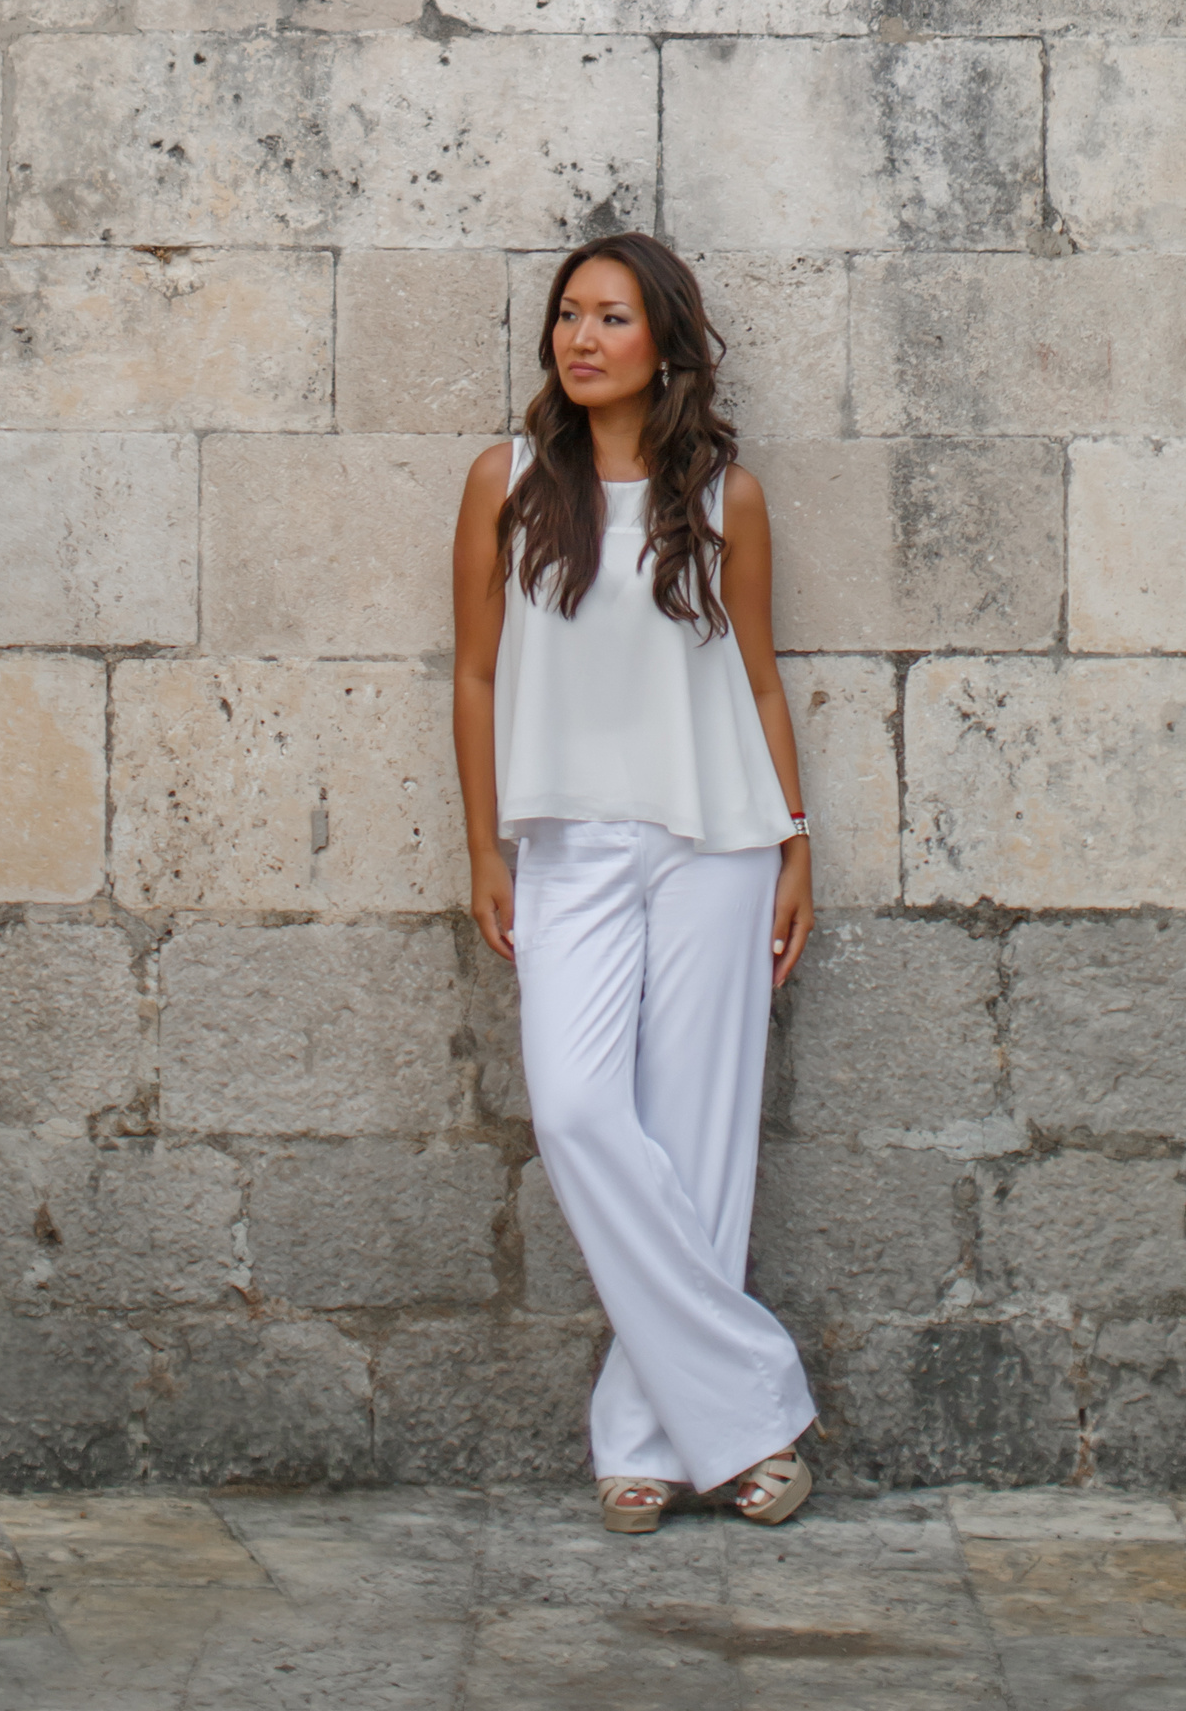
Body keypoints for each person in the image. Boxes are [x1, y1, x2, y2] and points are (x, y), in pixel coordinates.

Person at [451, 229, 818, 1537]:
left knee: (703, 1148)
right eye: (566, 315)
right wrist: (486, 846)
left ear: (663, 339)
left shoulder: (727, 496)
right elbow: (479, 676)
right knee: (583, 1114)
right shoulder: (504, 481)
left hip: (716, 840)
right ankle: (759, 1403)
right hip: (567, 851)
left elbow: (758, 679)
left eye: (610, 316)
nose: (581, 337)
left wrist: (794, 844)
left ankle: (651, 1442)